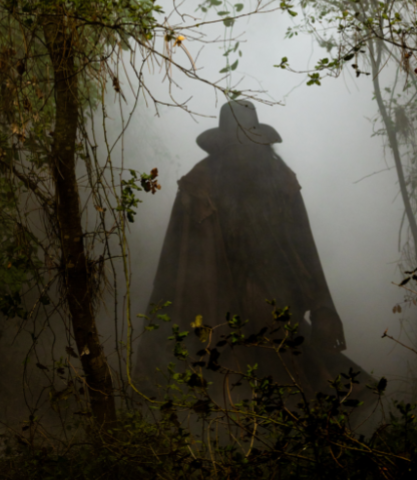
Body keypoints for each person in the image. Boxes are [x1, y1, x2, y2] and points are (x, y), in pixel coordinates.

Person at [135, 100, 369, 398]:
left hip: (277, 296)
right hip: (218, 303)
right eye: (238, 144)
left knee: (298, 382)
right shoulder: (199, 186)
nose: (244, 152)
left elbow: (303, 244)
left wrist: (322, 305)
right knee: (234, 390)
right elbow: (174, 263)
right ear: (224, 147)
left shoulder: (279, 180)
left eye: (249, 143)